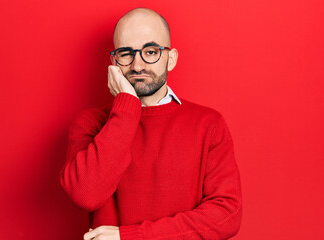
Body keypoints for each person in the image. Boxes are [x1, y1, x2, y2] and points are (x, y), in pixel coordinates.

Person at [60, 7, 242, 240]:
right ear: (113, 61)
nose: (137, 65)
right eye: (126, 53)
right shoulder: (91, 123)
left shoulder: (208, 124)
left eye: (151, 51)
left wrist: (131, 237)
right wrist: (126, 108)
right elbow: (85, 195)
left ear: (171, 58)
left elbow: (226, 216)